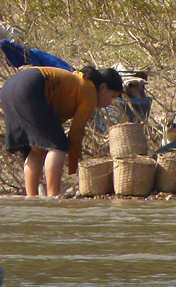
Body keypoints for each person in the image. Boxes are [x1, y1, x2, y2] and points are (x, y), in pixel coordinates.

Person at [1, 65, 122, 197]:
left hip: (9, 88)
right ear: (103, 88)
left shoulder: (78, 82)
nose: (110, 103)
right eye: (112, 96)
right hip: (30, 86)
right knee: (58, 146)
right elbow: (76, 132)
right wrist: (73, 165)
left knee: (37, 148)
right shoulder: (90, 91)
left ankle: (31, 198)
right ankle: (54, 197)